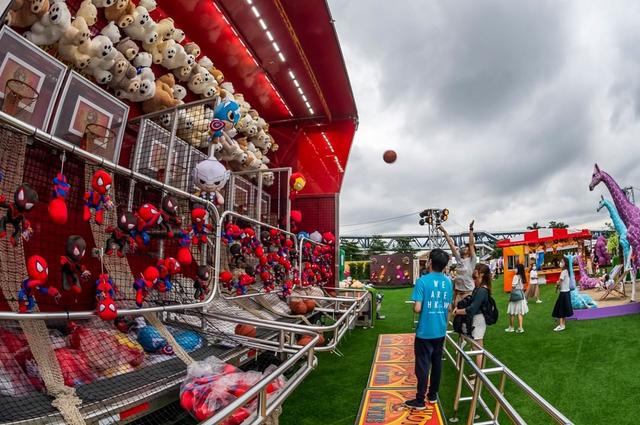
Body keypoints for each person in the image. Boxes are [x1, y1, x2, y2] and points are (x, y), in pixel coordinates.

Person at [405, 249, 453, 410]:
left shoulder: (422, 281)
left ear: (430, 262)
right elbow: (448, 306)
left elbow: (417, 308)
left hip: (425, 331)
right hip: (440, 329)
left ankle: (420, 400)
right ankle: (432, 395)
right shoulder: (448, 282)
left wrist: (417, 304)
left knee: (423, 366)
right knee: (437, 363)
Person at [453, 263, 491, 369]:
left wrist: (458, 311)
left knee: (478, 349)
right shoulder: (479, 288)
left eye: (476, 272)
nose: (474, 276)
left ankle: (479, 376)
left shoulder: (482, 290)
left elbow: (472, 308)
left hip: (478, 321)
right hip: (476, 320)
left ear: (482, 274)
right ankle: (478, 374)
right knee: (476, 348)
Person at [439, 220, 476, 308]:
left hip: (468, 293)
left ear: (470, 252)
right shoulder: (459, 259)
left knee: (467, 317)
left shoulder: (472, 260)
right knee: (456, 317)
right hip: (458, 293)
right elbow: (451, 244)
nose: (463, 248)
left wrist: (471, 229)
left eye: (466, 248)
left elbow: (471, 244)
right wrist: (444, 231)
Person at [506, 263, 529, 333]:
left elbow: (513, 286)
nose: (514, 269)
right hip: (521, 295)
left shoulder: (516, 276)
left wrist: (511, 295)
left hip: (516, 295)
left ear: (518, 269)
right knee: (520, 313)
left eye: (515, 268)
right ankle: (520, 328)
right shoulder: (522, 276)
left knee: (512, 312)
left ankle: (511, 327)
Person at [552, 258, 574, 331]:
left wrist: (557, 284)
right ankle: (563, 324)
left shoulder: (563, 272)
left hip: (563, 293)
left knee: (561, 309)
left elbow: (560, 281)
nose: (560, 263)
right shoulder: (567, 271)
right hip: (566, 292)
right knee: (563, 308)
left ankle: (561, 325)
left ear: (565, 263)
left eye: (561, 262)